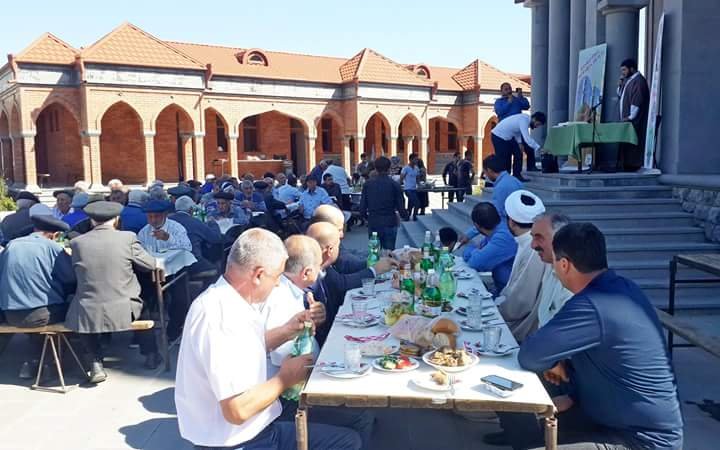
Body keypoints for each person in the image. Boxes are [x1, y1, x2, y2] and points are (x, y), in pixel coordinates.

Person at [497, 223, 684, 450]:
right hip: (609, 416)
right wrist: (573, 394)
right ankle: (525, 438)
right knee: (512, 388)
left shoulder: (593, 305)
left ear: (564, 264)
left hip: (641, 440)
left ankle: (527, 441)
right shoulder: (622, 288)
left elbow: (530, 355)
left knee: (515, 376)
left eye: (555, 263)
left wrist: (555, 361)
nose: (553, 269)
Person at [174, 229, 361, 450]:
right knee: (347, 442)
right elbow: (237, 410)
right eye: (277, 277)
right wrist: (285, 379)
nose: (278, 285)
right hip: (240, 441)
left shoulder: (231, 301)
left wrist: (288, 330)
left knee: (353, 428)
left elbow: (243, 350)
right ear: (259, 274)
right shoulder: (220, 316)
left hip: (256, 426)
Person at [65, 201, 158, 382]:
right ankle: (151, 354)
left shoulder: (76, 243)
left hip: (89, 308)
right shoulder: (127, 238)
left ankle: (95, 362)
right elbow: (150, 265)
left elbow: (72, 274)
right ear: (116, 219)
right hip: (125, 307)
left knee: (81, 308)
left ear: (91, 221)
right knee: (144, 308)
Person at [0, 214, 76, 378]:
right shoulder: (52, 247)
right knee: (73, 307)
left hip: (10, 314)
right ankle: (52, 362)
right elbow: (70, 277)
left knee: (37, 314)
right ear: (54, 235)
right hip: (41, 314)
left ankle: (34, 361)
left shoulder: (12, 245)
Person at [306, 222, 395, 345]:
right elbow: (341, 283)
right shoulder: (312, 273)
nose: (342, 235)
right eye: (340, 229)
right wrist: (374, 270)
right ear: (330, 250)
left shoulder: (321, 265)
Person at [496, 190, 547, 342]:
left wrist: (494, 308)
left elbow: (521, 302)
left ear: (511, 221)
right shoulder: (524, 241)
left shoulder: (534, 249)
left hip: (525, 329)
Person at [462, 202, 517, 292]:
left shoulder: (503, 237)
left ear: (476, 225)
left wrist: (474, 251)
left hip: (509, 293)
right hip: (501, 287)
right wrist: (477, 251)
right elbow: (475, 255)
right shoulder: (496, 230)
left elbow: (475, 262)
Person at [530, 212, 573, 328]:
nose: (532, 245)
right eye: (532, 237)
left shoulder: (573, 284)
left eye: (539, 238)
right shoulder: (550, 266)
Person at [359, 156, 405, 250]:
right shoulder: (394, 185)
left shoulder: (368, 184)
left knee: (374, 252)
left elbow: (362, 207)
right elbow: (401, 206)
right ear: (389, 168)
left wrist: (367, 218)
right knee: (389, 252)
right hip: (390, 221)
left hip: (374, 221)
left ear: (375, 168)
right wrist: (405, 216)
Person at [169, 196, 223, 271]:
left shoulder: (167, 221)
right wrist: (213, 223)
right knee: (216, 271)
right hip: (193, 263)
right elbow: (216, 238)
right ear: (191, 209)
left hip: (171, 262)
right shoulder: (195, 222)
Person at [310, 204, 366, 274]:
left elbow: (347, 256)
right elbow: (340, 279)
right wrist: (373, 267)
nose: (342, 235)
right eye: (339, 230)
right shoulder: (320, 255)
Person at [617, 58, 650, 172]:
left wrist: (630, 117)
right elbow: (621, 95)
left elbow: (637, 100)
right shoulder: (629, 80)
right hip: (628, 120)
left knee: (634, 144)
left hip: (634, 120)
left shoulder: (639, 81)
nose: (623, 73)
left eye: (624, 70)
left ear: (632, 69)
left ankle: (633, 165)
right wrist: (620, 85)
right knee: (627, 145)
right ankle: (627, 164)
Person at [491, 112, 546, 181]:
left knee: (518, 153)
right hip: (498, 136)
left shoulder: (525, 119)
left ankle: (517, 175)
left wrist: (519, 143)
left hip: (508, 137)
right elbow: (527, 139)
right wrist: (539, 148)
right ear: (534, 119)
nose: (536, 126)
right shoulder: (524, 120)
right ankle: (503, 179)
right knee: (504, 159)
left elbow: (517, 131)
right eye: (538, 124)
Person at [401, 153, 421, 220]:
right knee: (417, 203)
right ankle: (415, 217)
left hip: (414, 189)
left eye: (417, 159)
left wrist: (420, 185)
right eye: (415, 159)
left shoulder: (416, 168)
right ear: (411, 160)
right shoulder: (406, 168)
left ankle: (407, 217)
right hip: (408, 189)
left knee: (411, 204)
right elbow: (401, 178)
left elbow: (418, 179)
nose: (417, 161)